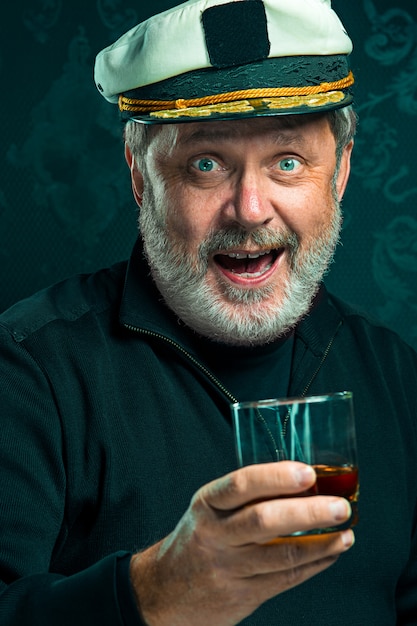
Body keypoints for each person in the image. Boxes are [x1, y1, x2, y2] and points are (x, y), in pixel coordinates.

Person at [1, 0, 416, 624]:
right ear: (141, 176)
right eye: (205, 164)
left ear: (341, 173)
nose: (249, 209)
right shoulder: (29, 368)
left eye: (287, 162)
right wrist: (154, 593)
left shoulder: (398, 375)